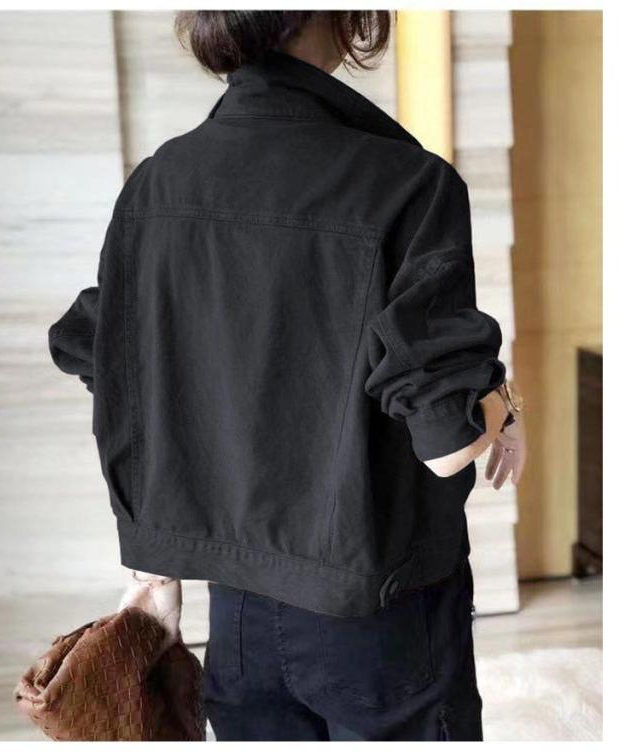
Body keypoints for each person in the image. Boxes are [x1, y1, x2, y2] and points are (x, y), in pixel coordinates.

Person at [48, 10, 526, 741]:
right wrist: (502, 404)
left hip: (237, 612)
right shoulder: (409, 183)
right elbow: (446, 445)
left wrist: (154, 563)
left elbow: (105, 359)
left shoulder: (156, 184)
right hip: (378, 613)